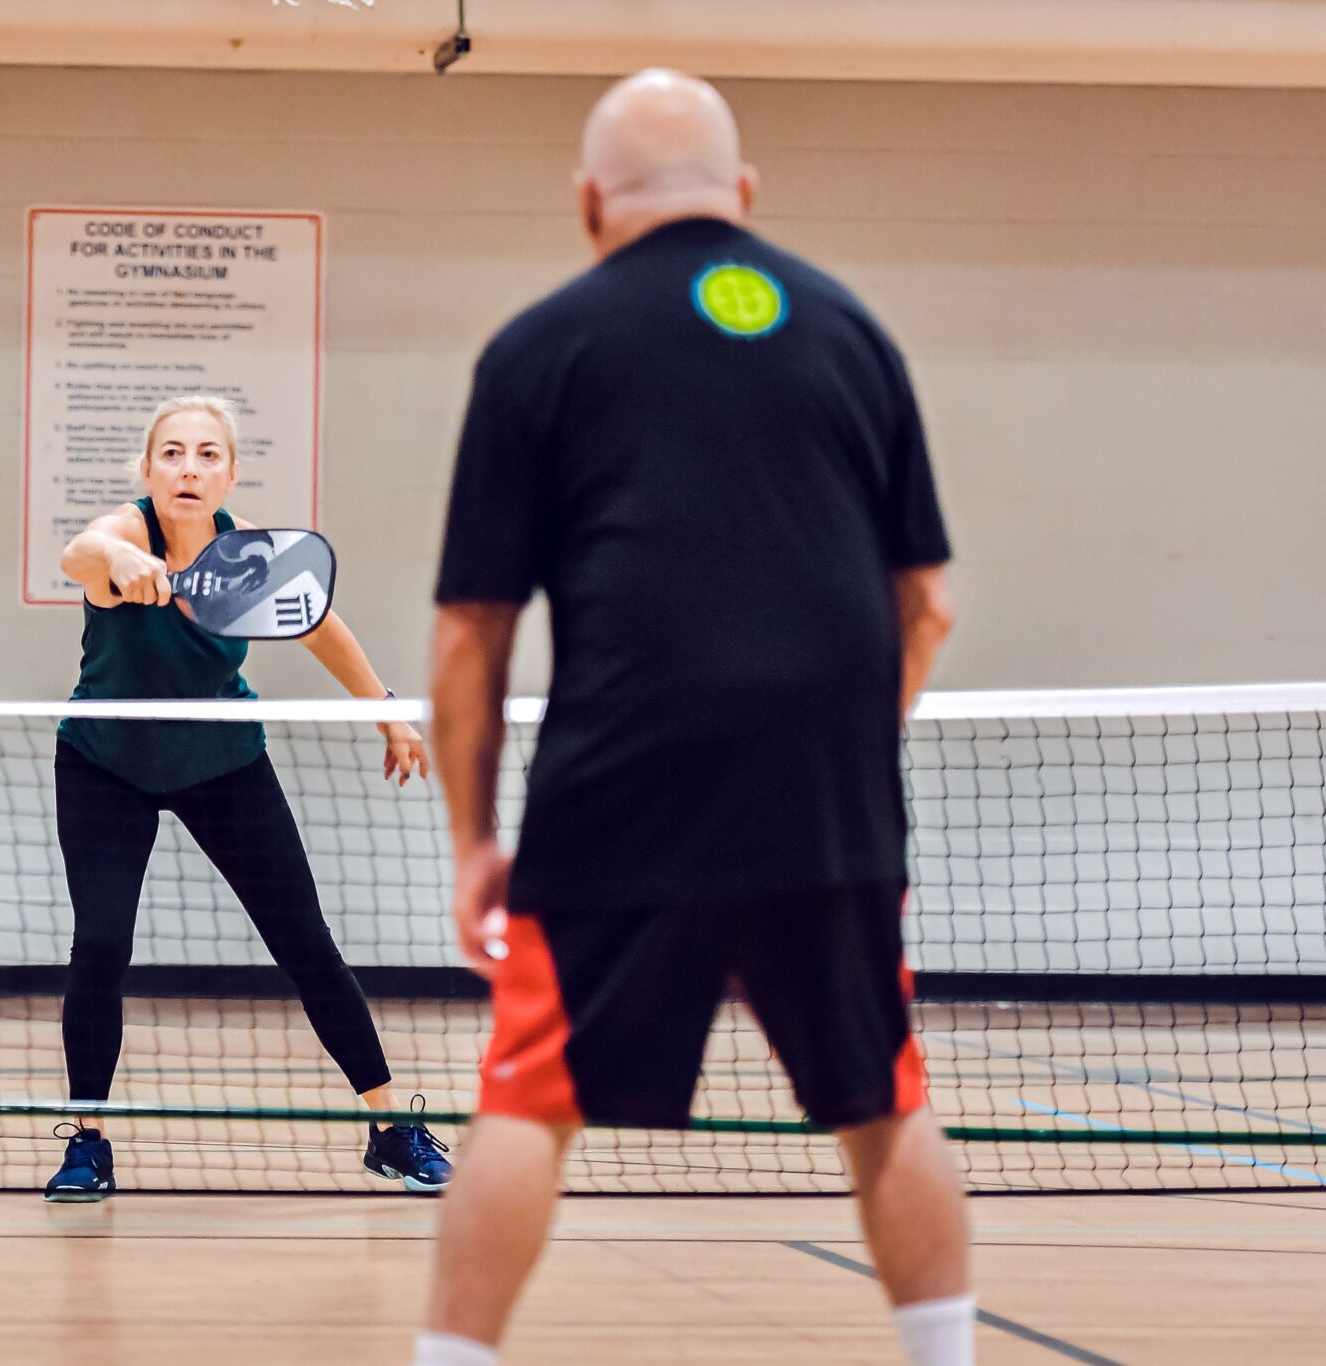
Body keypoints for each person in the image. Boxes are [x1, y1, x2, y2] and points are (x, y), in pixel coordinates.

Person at [417, 70, 970, 1366]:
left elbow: (469, 632)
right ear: (746, 191)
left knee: (527, 1097)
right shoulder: (853, 332)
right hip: (826, 796)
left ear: (587, 201)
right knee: (883, 1100)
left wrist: (470, 838)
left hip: (624, 785)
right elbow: (928, 603)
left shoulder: (540, 347)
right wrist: (838, 752)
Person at [46, 393, 453, 1202]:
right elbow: (82, 555)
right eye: (171, 453)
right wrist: (122, 563)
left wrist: (387, 710)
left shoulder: (248, 559)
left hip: (223, 762)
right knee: (100, 946)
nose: (188, 468)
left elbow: (320, 624)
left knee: (304, 940)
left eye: (206, 455)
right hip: (105, 765)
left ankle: (389, 1128)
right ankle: (87, 1141)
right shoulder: (124, 533)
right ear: (147, 469)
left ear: (229, 473)